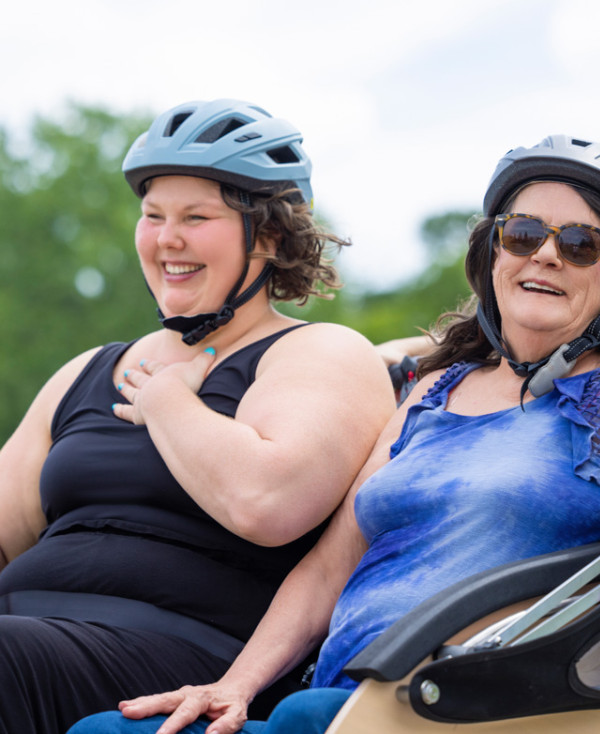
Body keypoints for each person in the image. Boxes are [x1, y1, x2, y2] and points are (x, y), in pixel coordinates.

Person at [69, 50, 600, 734]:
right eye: (523, 234)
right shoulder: (434, 391)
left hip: (470, 713)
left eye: (579, 244)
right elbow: (329, 569)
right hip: (334, 705)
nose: (546, 255)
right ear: (492, 253)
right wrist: (233, 686)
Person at [0, 99, 396, 734]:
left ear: (269, 236)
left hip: (180, 660)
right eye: (153, 216)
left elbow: (265, 502)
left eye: (196, 217)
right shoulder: (86, 371)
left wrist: (166, 402)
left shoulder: (318, 353)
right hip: (23, 633)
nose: (167, 239)